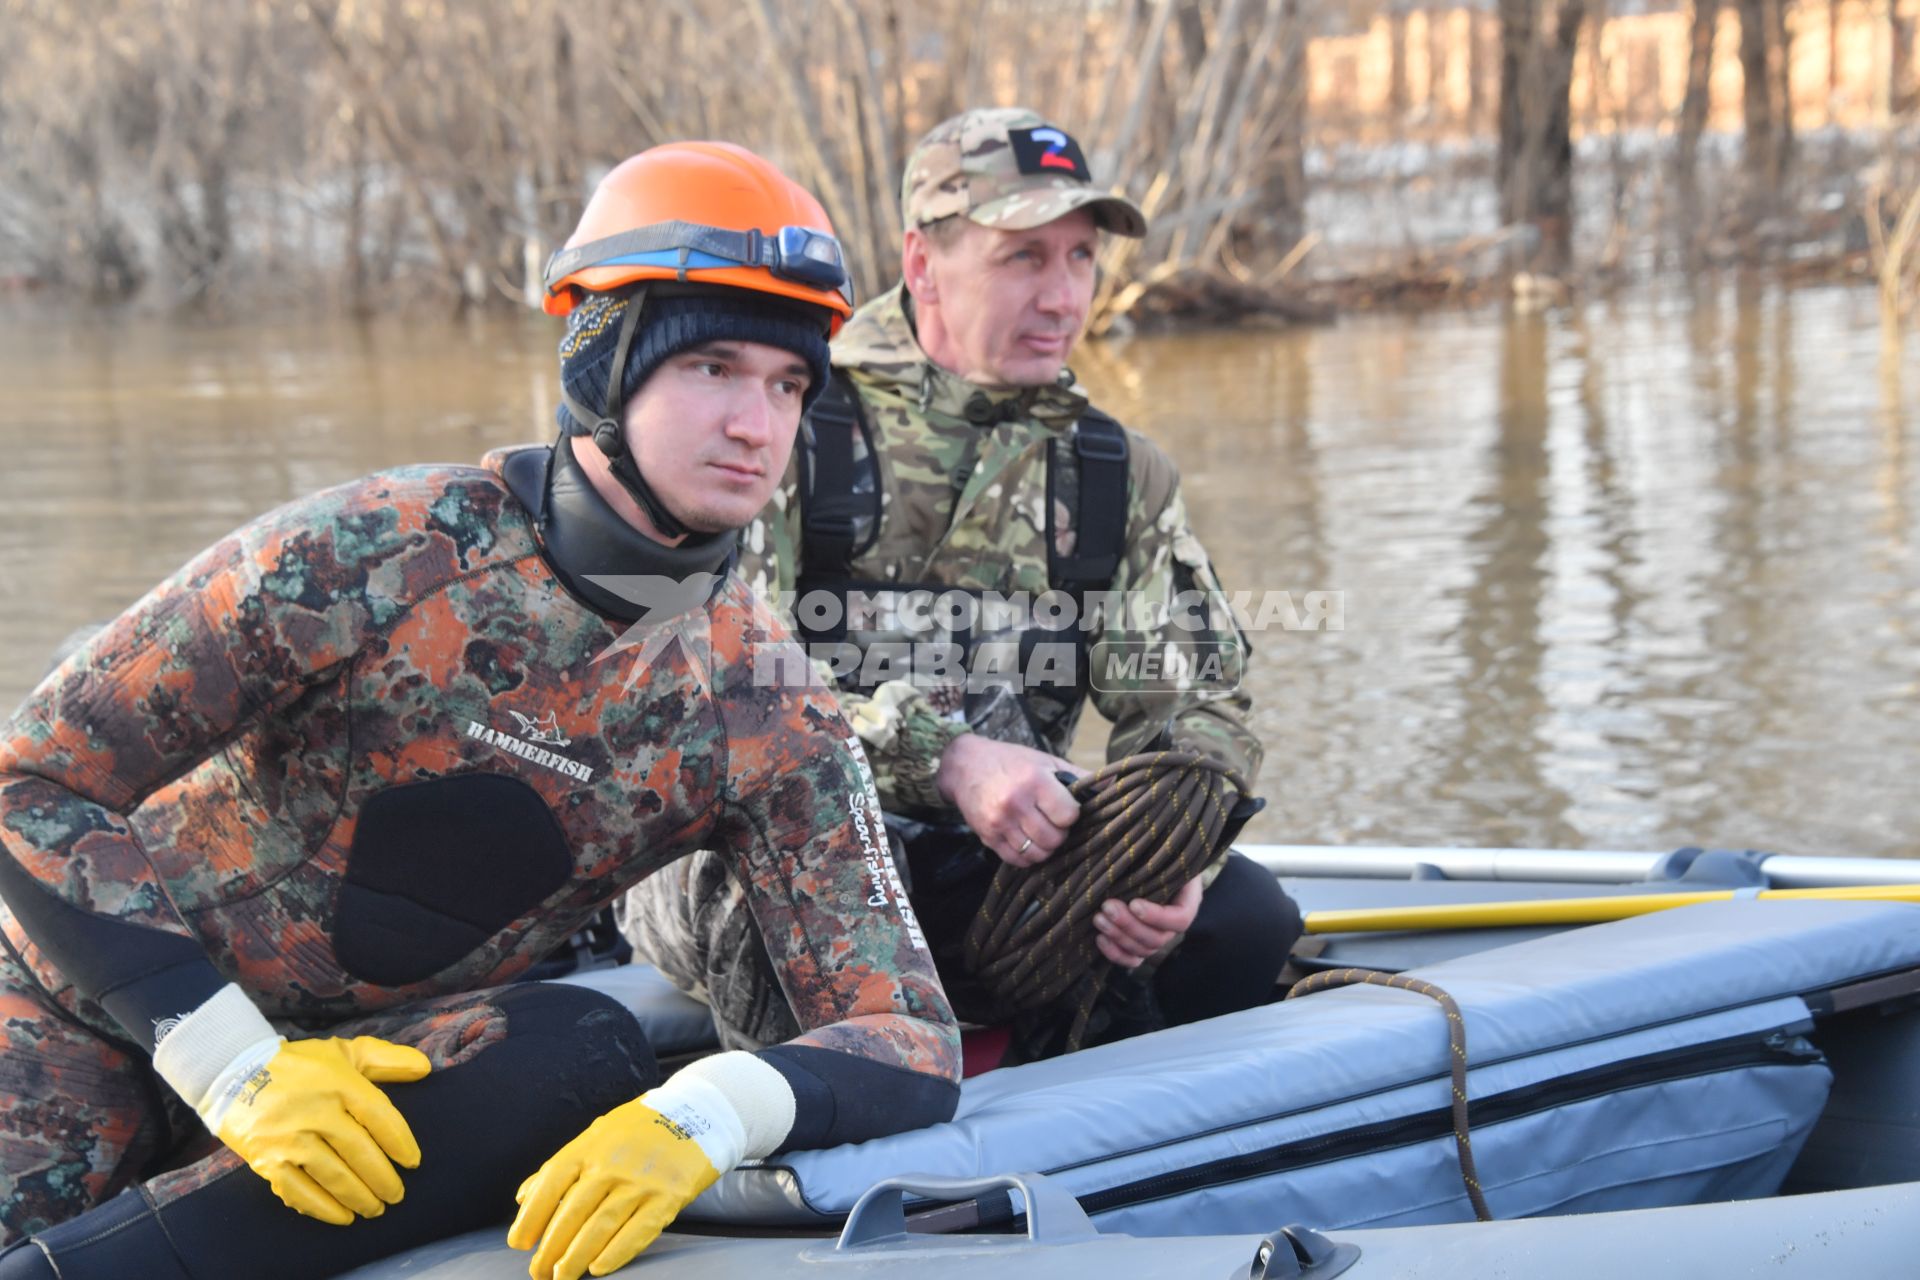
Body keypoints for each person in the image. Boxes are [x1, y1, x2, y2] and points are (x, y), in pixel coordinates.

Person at [0, 141, 959, 1280]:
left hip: (366, 1079)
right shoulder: (379, 547)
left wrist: (705, 1116)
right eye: (712, 367)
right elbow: (37, 777)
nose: (758, 422)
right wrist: (231, 1067)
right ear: (604, 363)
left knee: (585, 1048)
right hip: (86, 1020)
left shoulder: (762, 700)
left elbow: (907, 1031)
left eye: (789, 383)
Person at [625, 109, 1301, 1064]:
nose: (1064, 295)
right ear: (923, 262)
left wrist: (1177, 856)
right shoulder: (784, 418)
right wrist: (946, 759)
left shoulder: (1114, 469)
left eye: (1080, 259)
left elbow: (1199, 707)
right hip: (752, 850)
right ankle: (800, 1150)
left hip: (987, 870)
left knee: (1245, 920)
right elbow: (719, 691)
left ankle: (1099, 1134)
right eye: (1024, 258)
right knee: (825, 885)